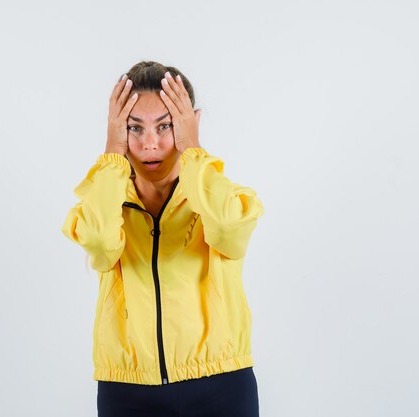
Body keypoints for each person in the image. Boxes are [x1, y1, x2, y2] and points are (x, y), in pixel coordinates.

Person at [61, 60, 265, 417]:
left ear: (190, 123)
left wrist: (192, 152)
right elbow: (98, 245)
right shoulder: (105, 200)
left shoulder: (219, 196)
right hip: (127, 391)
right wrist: (111, 156)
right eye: (133, 128)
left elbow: (230, 231)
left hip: (221, 384)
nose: (150, 144)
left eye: (165, 125)